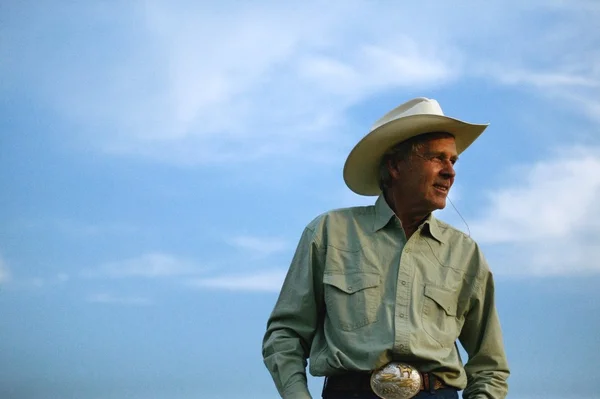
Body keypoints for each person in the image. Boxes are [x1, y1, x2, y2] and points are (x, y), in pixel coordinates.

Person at [262, 97, 509, 399]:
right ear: (394, 166)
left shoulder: (464, 252)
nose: (450, 171)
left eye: (453, 161)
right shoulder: (329, 233)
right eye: (437, 158)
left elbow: (490, 366)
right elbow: (285, 335)